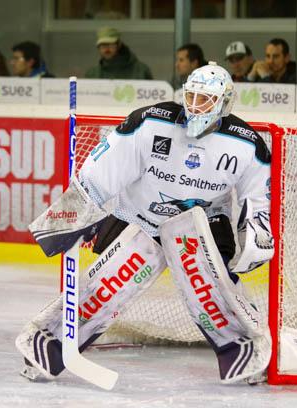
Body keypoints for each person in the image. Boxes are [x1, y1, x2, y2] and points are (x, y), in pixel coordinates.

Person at [16, 62, 274, 384]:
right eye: (191, 97)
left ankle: (245, 351)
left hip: (200, 224)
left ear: (224, 103)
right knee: (107, 287)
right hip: (139, 216)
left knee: (208, 287)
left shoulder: (246, 144)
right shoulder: (152, 121)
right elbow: (104, 169)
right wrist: (75, 211)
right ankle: (48, 345)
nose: (195, 107)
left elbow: (258, 196)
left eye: (205, 100)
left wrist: (256, 236)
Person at [84, 27, 152, 80]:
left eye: (110, 45)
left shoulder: (141, 71)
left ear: (119, 45)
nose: (106, 49)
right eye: (103, 46)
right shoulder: (92, 74)